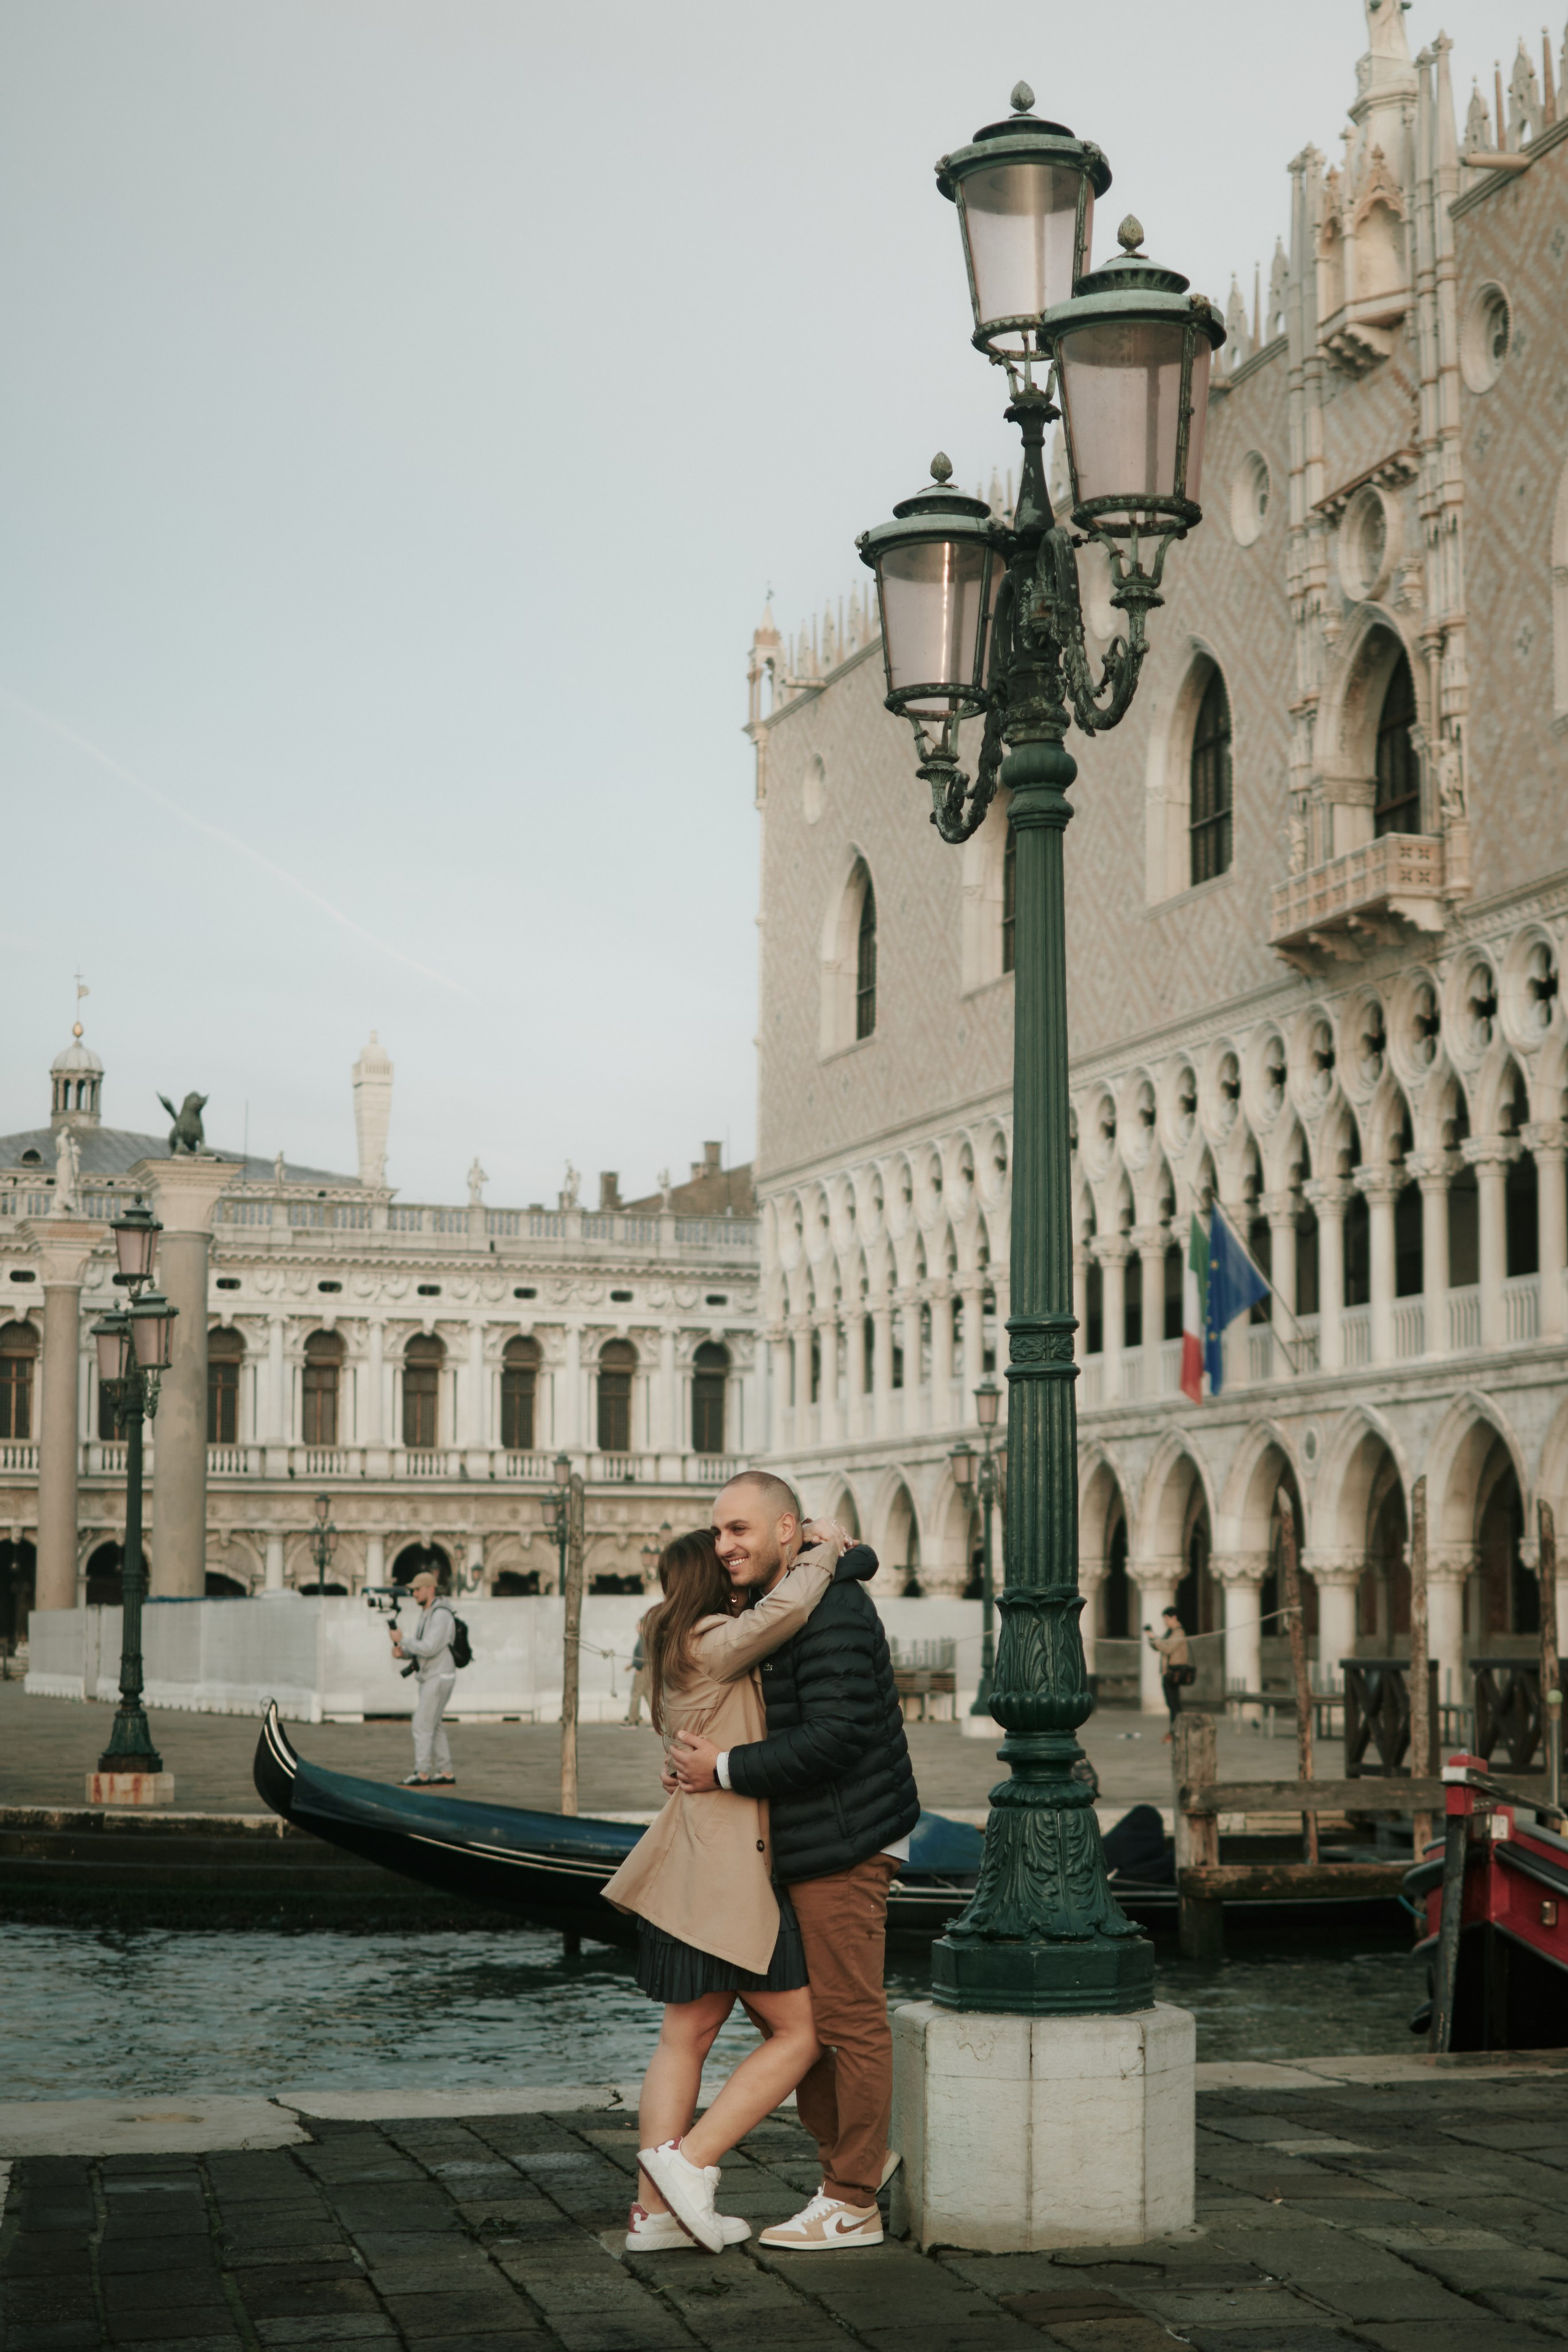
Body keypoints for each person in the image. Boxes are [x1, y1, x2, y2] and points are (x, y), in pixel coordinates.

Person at [672, 1471, 920, 2253]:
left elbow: (839, 1736)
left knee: (848, 2021)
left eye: (740, 1530)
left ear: (789, 1532)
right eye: (718, 1532)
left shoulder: (835, 1607)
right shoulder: (788, 1607)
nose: (725, 1547)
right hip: (803, 1842)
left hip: (845, 1842)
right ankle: (857, 2164)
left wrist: (725, 1769)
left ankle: (851, 2201)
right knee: (794, 2016)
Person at [603, 1518, 858, 2253]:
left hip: (687, 1865)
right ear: (707, 1579)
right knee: (802, 2031)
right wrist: (827, 1550)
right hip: (726, 1870)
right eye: (724, 1560)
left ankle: (652, 2215)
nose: (735, 1564)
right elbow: (791, 1609)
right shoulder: (711, 1638)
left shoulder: (670, 1639)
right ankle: (688, 2164)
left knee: (685, 2035)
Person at [390, 1569, 457, 1787]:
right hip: (432, 1675)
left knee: (421, 1724)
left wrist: (404, 1640)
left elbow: (429, 1648)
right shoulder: (428, 1613)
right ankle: (446, 1773)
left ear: (430, 1589)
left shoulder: (441, 1615)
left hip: (439, 1676)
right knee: (434, 1724)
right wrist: (404, 1652)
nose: (414, 1593)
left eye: (417, 1589)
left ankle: (423, 1773)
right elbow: (425, 1648)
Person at [1145, 1605, 1190, 1743]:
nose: (1165, 1622)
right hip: (1168, 1672)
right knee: (1172, 1703)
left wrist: (1154, 1637)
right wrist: (1152, 1638)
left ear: (1173, 1618)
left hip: (1174, 1673)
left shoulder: (1178, 1633)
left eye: (1166, 1619)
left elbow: (1167, 1648)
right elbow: (1160, 1646)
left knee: (1174, 1704)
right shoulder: (1170, 1632)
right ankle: (1175, 1731)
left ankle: (1177, 1732)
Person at [623, 1617, 652, 1727]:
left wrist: (638, 1668)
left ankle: (632, 1720)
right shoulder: (648, 1638)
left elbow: (642, 1655)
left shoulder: (643, 1638)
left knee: (636, 1693)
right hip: (648, 1668)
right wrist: (631, 1666)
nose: (636, 1628)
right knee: (649, 1694)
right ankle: (658, 1722)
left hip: (643, 1669)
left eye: (638, 1625)